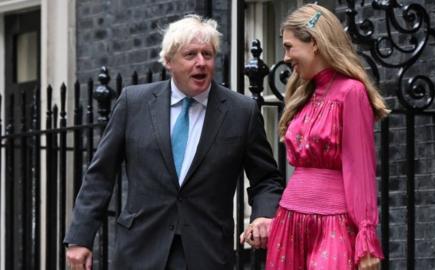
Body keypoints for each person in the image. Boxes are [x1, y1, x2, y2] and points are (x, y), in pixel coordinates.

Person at [64, 14, 284, 270]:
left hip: (207, 252)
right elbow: (99, 176)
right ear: (168, 61)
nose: (201, 63)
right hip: (140, 250)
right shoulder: (133, 103)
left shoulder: (241, 111)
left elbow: (267, 179)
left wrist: (264, 215)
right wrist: (80, 238)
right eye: (191, 55)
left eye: (207, 54)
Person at [241, 4, 388, 270]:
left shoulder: (351, 92)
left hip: (334, 223)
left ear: (315, 44)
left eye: (289, 46)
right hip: (290, 221)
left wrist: (366, 237)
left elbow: (360, 170)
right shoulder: (303, 94)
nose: (285, 57)